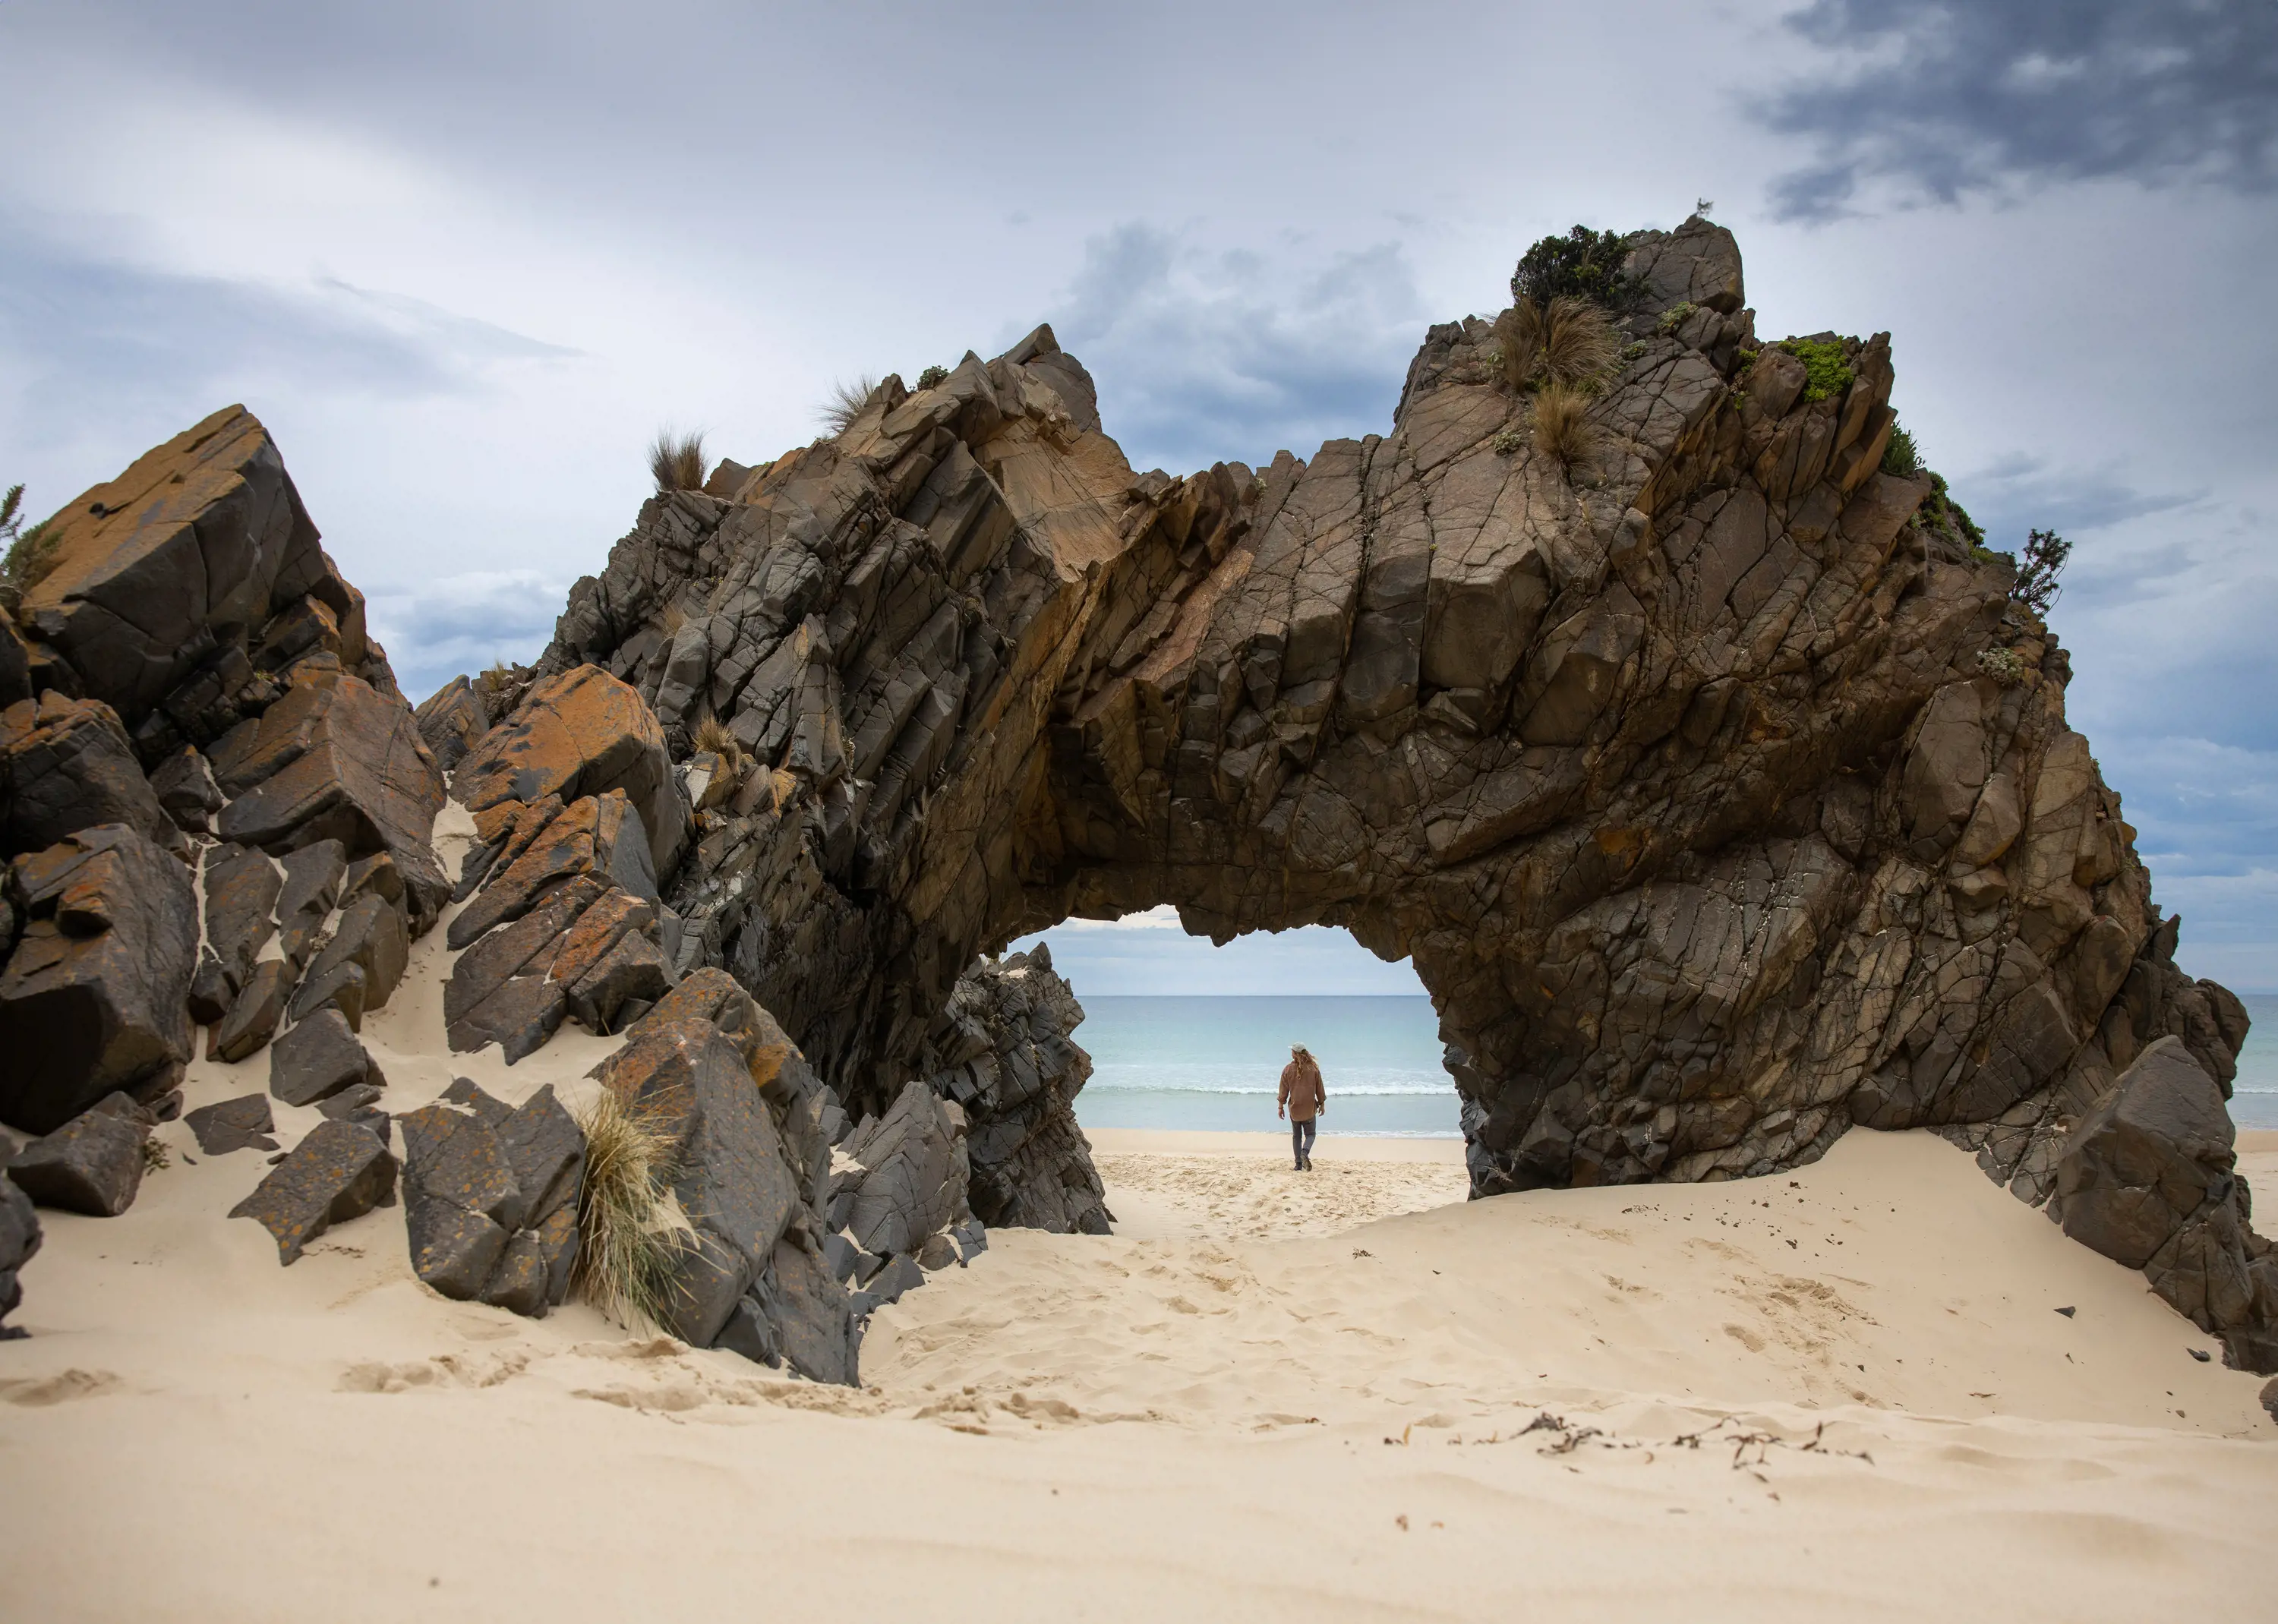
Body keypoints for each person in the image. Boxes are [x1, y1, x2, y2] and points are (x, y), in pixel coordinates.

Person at [1277, 1043, 1325, 1171]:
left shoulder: (1287, 1069)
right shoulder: (1313, 1069)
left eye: (1292, 1051)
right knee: (1310, 1134)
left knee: (1296, 1136)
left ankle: (1298, 1164)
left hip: (1295, 1109)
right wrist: (1322, 1104)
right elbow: (1320, 1088)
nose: (1291, 1053)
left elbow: (1283, 1090)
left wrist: (1280, 1106)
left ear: (1295, 1054)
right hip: (1309, 1109)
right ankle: (1305, 1152)